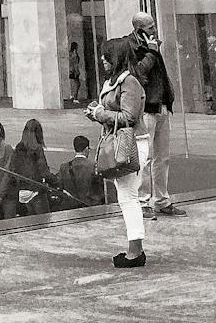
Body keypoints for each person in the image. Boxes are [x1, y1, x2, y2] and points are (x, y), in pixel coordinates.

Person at [86, 37, 148, 269]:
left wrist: (99, 114)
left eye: (107, 55)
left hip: (131, 144)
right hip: (122, 143)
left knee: (129, 197)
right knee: (127, 196)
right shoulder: (117, 81)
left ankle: (135, 251)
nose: (102, 59)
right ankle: (135, 249)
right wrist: (97, 112)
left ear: (118, 57)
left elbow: (128, 117)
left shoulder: (129, 82)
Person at [128, 12, 183, 219]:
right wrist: (151, 52)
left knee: (163, 157)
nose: (154, 30)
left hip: (161, 105)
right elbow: (138, 73)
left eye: (153, 26)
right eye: (150, 27)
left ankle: (161, 200)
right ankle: (143, 202)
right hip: (146, 109)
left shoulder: (152, 44)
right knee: (146, 156)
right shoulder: (132, 47)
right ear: (138, 28)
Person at [6, 118, 57, 215]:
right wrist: (56, 181)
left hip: (21, 193)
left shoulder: (18, 148)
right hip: (36, 192)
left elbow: (12, 170)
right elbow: (44, 172)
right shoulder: (37, 149)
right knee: (44, 224)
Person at [58, 134, 103, 208]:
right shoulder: (94, 166)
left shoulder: (64, 167)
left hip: (70, 207)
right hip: (91, 208)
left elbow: (59, 186)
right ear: (86, 149)